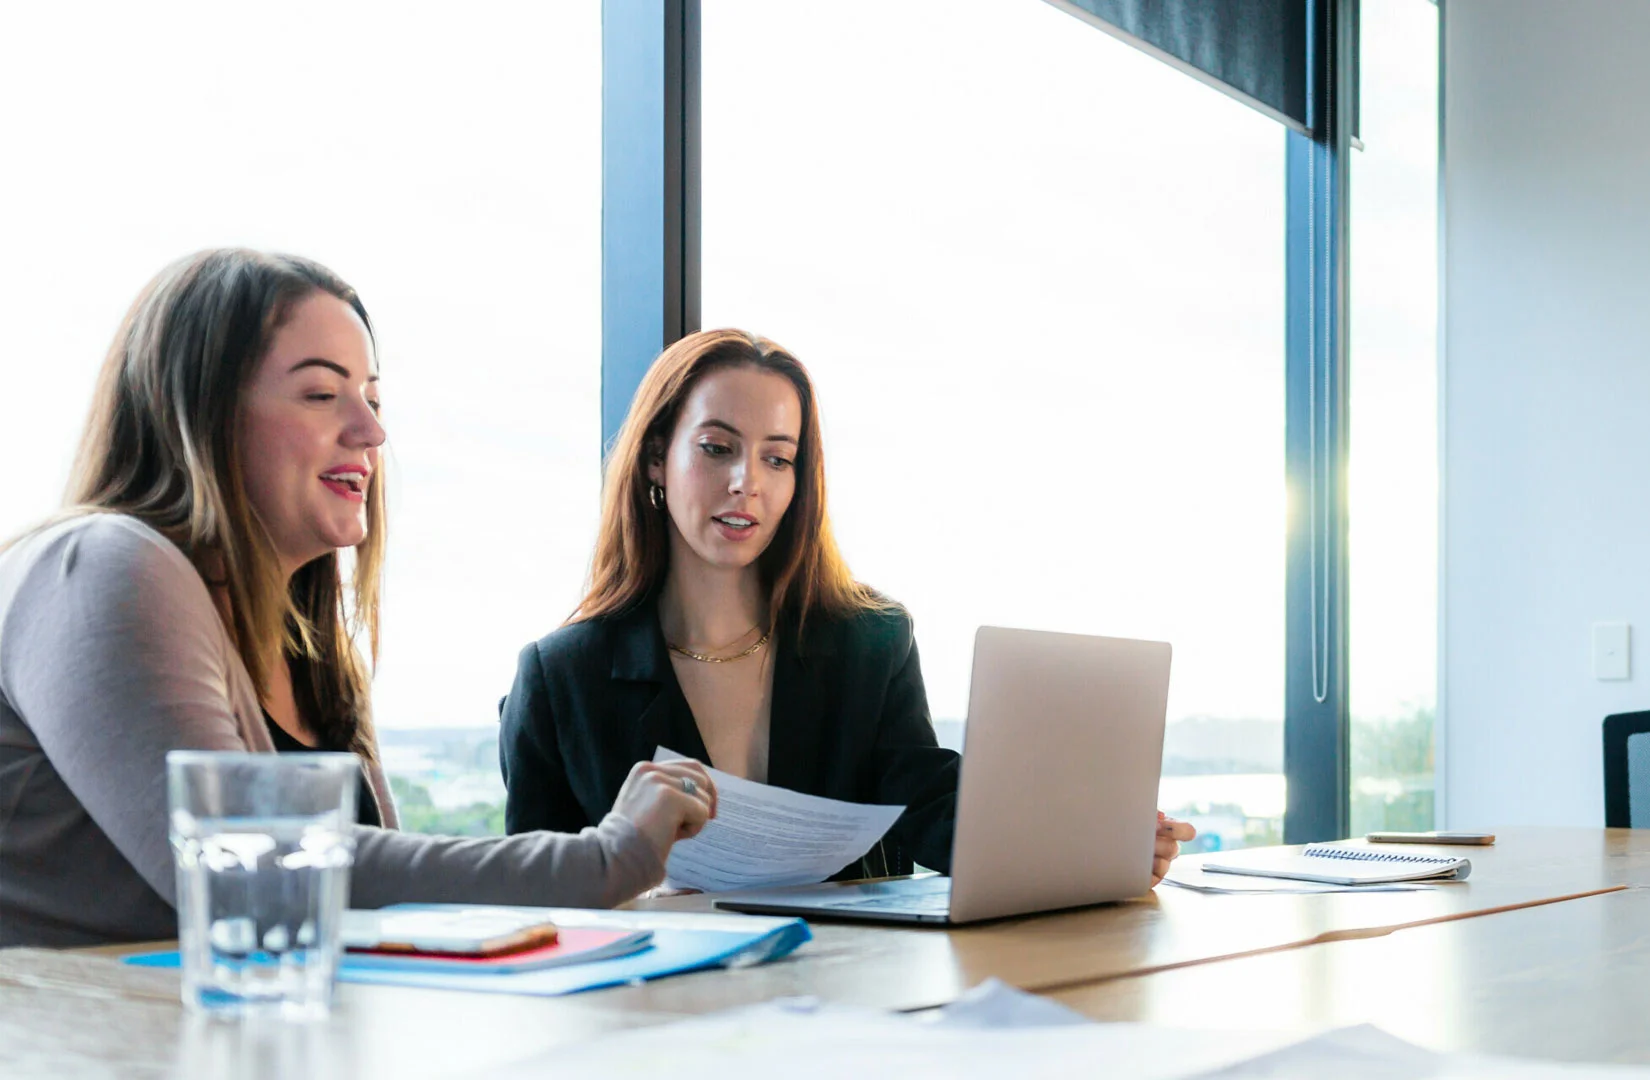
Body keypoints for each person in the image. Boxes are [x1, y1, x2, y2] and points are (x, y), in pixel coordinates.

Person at [0, 249, 716, 948]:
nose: (372, 432)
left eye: (372, 399)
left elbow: (381, 902)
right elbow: (246, 875)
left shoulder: (312, 650)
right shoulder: (98, 565)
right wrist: (603, 860)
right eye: (321, 394)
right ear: (199, 412)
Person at [499, 329, 1196, 886]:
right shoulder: (562, 678)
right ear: (656, 459)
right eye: (717, 449)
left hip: (850, 1005)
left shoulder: (872, 640)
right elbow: (535, 893)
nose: (747, 484)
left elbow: (931, 807)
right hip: (655, 1021)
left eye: (778, 459)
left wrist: (1093, 846)